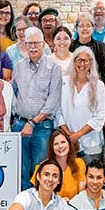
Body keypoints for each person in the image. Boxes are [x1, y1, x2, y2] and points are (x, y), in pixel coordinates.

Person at [12, 27, 63, 190]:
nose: (32, 47)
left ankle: (38, 207)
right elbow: (12, 90)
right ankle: (23, 206)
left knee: (39, 169)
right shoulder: (19, 66)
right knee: (20, 168)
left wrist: (33, 122)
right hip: (19, 125)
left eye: (36, 43)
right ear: (24, 44)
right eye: (29, 43)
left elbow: (53, 100)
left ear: (43, 44)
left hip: (42, 127)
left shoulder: (53, 67)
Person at [56, 46, 105, 163]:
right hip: (66, 141)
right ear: (73, 61)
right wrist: (69, 135)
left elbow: (99, 116)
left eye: (86, 60)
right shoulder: (63, 82)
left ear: (91, 63)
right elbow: (57, 111)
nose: (82, 63)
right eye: (79, 60)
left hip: (91, 142)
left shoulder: (98, 85)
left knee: (90, 178)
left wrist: (77, 135)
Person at [31, 128, 86, 200]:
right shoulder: (42, 167)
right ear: (52, 147)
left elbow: (81, 195)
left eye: (63, 142)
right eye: (56, 144)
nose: (60, 146)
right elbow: (38, 196)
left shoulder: (79, 164)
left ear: (69, 143)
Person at [71, 13, 105, 84]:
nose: (85, 29)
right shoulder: (70, 47)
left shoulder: (101, 47)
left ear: (93, 28)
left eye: (88, 26)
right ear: (76, 28)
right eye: (81, 26)